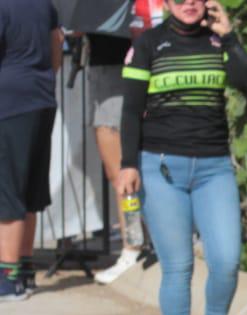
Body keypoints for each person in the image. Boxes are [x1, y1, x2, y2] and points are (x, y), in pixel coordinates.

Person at [115, 0, 247, 315]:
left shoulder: (218, 42)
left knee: (227, 259)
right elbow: (130, 110)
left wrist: (229, 37)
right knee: (178, 267)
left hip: (214, 168)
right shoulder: (148, 44)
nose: (190, 3)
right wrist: (127, 164)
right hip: (160, 167)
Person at [89, 0, 166, 285]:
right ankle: (132, 244)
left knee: (144, 166)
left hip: (143, 66)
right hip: (105, 68)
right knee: (118, 172)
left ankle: (147, 243)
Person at [0, 0, 61, 302]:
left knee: (8, 187)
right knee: (30, 187)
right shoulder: (44, 5)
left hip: (10, 101)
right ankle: (23, 270)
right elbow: (57, 51)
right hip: (42, 97)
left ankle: (8, 277)